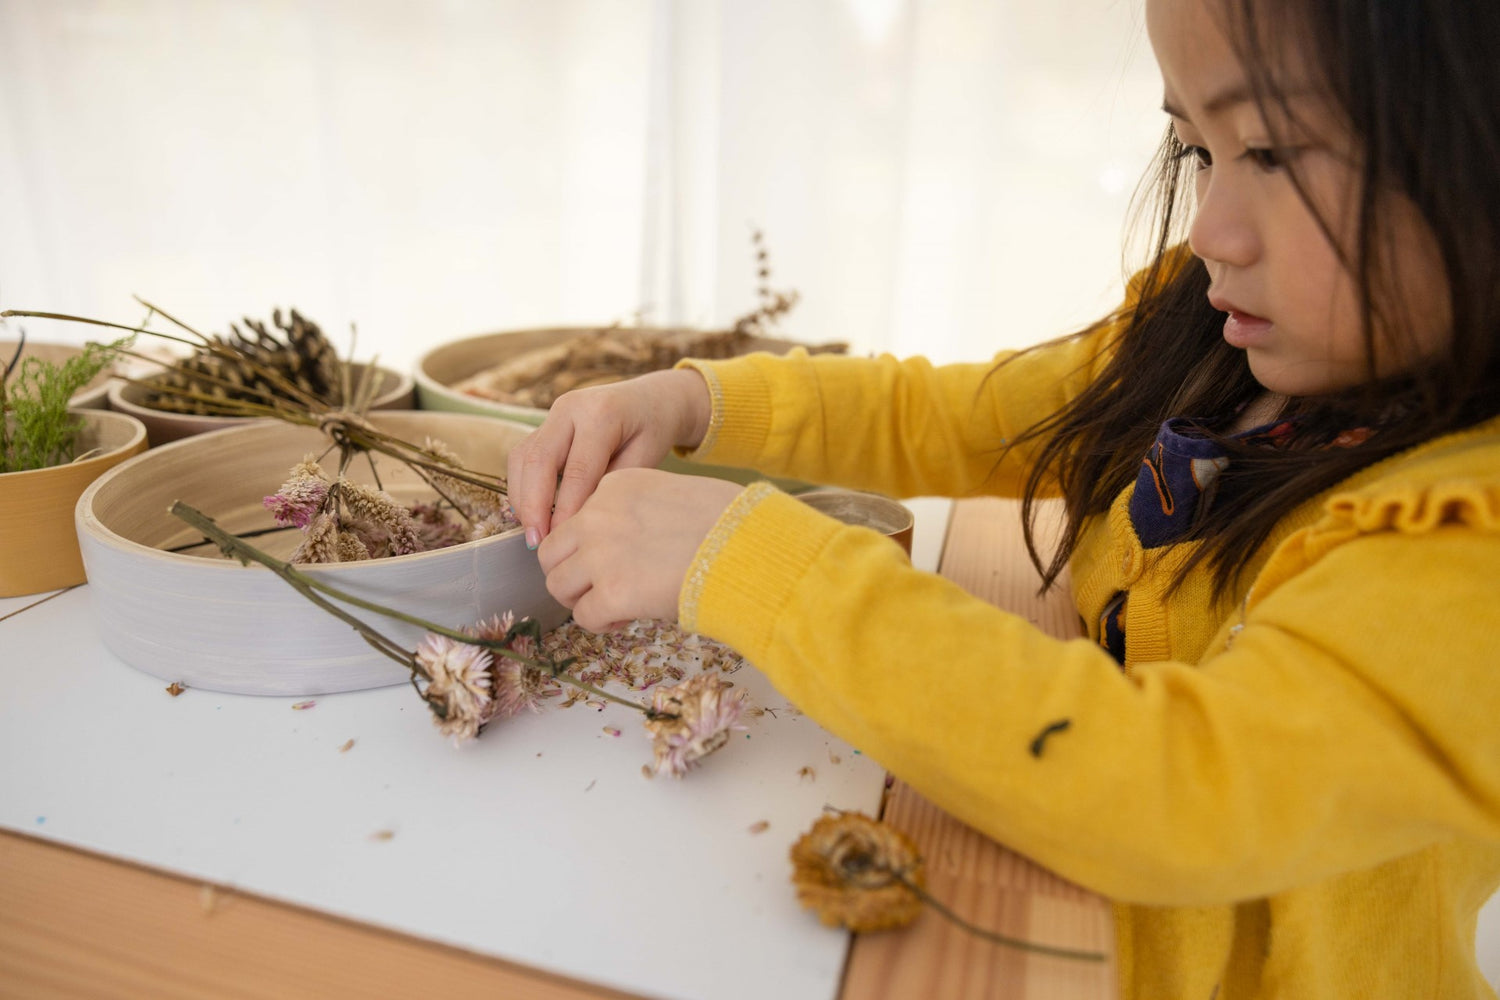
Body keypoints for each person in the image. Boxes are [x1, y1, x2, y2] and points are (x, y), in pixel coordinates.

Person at [506, 0, 1500, 994]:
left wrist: (762, 564)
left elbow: (1178, 790)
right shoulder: (1213, 338)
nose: (1209, 232)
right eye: (1198, 150)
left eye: (1275, 154)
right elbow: (959, 415)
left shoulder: (1461, 554)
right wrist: (693, 401)